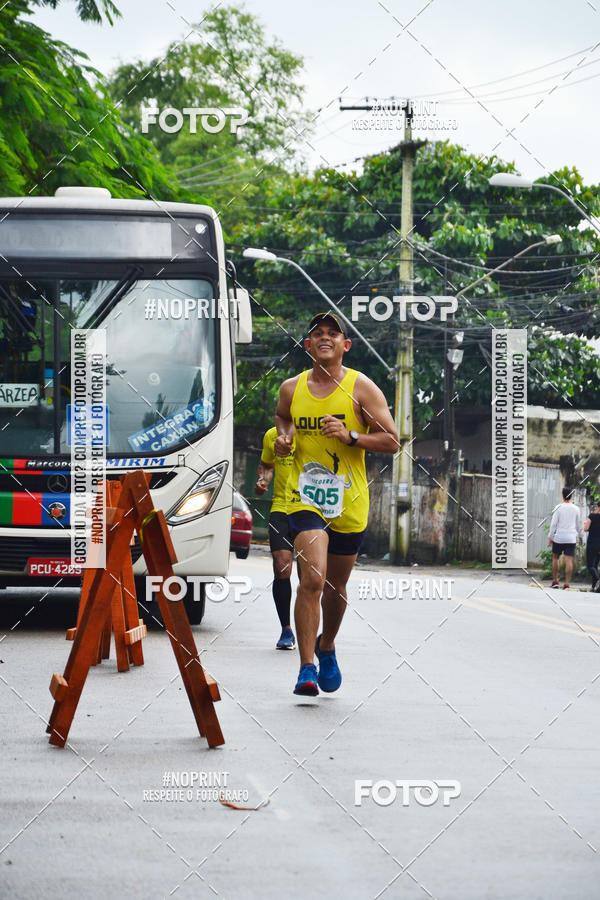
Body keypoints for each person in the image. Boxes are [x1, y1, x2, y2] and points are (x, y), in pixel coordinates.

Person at [274, 312, 399, 696]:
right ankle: (306, 668)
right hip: (305, 497)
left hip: (349, 501)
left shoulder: (362, 389)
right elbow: (283, 419)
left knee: (335, 586)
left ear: (345, 345)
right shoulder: (291, 389)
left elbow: (392, 441)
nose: (324, 338)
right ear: (308, 345)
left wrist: (350, 436)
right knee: (311, 579)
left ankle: (327, 645)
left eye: (333, 333)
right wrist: (284, 438)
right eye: (317, 334)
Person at [255, 426, 297, 649]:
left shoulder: (317, 431)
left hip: (312, 508)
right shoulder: (272, 435)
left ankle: (313, 628)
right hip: (281, 507)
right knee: (282, 567)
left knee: (312, 576)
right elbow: (267, 465)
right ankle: (286, 629)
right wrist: (263, 480)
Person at [548, 487, 582, 589]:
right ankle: (566, 584)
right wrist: (580, 536)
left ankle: (555, 582)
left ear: (562, 495)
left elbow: (553, 524)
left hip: (559, 537)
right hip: (571, 538)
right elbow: (578, 525)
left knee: (555, 558)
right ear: (571, 495)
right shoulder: (576, 509)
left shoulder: (558, 507)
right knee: (569, 561)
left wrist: (550, 536)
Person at [583, 499, 600, 592]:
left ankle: (597, 579)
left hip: (592, 543)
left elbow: (586, 528)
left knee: (590, 565)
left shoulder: (592, 516)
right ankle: (594, 587)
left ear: (598, 507)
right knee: (595, 565)